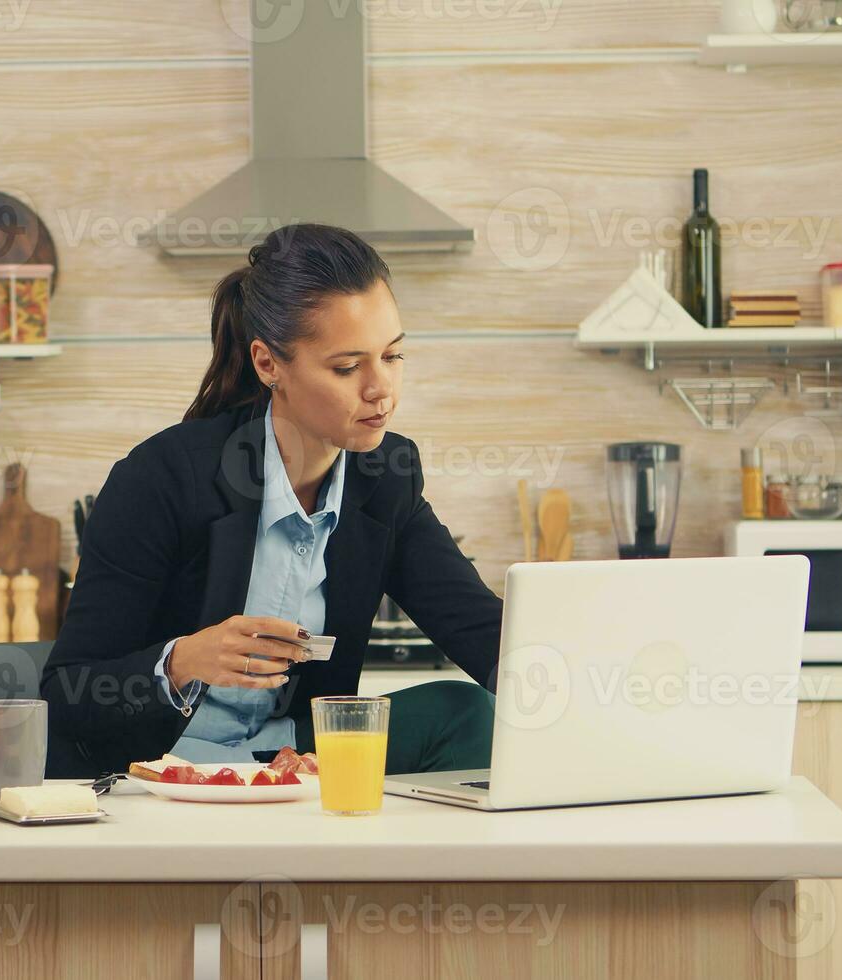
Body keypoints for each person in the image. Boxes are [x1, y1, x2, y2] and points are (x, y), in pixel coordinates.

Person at [41, 223, 502, 778]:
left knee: (466, 711)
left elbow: (487, 637)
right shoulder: (161, 478)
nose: (380, 388)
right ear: (268, 364)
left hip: (297, 759)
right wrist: (182, 661)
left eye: (393, 356)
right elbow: (66, 696)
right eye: (347, 367)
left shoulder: (386, 477)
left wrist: (592, 682)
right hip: (165, 766)